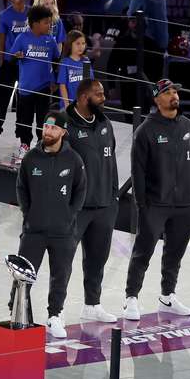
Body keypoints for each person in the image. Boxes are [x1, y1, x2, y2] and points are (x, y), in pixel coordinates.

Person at [123, 80, 190, 321]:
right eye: (167, 92)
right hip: (155, 204)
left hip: (186, 203)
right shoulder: (145, 131)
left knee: (175, 253)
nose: (174, 95)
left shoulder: (188, 126)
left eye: (175, 91)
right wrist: (142, 204)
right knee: (143, 252)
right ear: (157, 100)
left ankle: (168, 296)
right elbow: (138, 171)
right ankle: (131, 298)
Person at [14, 110, 86, 339]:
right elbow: (21, 189)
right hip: (34, 230)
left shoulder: (74, 160)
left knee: (60, 275)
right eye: (46, 126)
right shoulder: (31, 158)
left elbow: (80, 191)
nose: (48, 131)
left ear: (63, 132)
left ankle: (55, 315)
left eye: (53, 128)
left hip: (63, 232)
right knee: (23, 275)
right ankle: (18, 316)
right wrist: (29, 214)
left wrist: (69, 216)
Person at [65, 80, 119, 323]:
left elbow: (112, 161)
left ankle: (92, 304)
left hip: (105, 205)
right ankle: (55, 311)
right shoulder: (65, 125)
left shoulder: (105, 123)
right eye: (98, 95)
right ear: (84, 97)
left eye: (103, 93)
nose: (104, 98)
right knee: (63, 259)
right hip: (76, 208)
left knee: (98, 259)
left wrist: (114, 197)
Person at [10, 5, 61, 164]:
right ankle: (24, 145)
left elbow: (56, 61)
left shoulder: (50, 40)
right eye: (46, 22)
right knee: (24, 119)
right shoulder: (22, 38)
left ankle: (42, 146)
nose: (50, 26)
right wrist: (16, 56)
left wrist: (55, 80)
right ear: (35, 23)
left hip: (44, 88)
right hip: (25, 89)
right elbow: (11, 57)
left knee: (43, 121)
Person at [0, 0, 30, 153]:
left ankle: (23, 137)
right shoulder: (5, 15)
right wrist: (1, 60)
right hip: (9, 62)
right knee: (2, 100)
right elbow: (1, 39)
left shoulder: (32, 14)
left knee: (23, 101)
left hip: (26, 64)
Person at [128, 0, 168, 85]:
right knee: (158, 76)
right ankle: (156, 99)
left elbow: (131, 13)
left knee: (145, 74)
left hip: (147, 41)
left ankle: (145, 99)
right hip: (162, 41)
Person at [57, 30, 94, 110]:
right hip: (69, 106)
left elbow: (88, 84)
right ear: (70, 44)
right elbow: (62, 85)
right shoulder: (65, 62)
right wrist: (66, 104)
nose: (81, 46)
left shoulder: (86, 61)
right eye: (78, 43)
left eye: (83, 43)